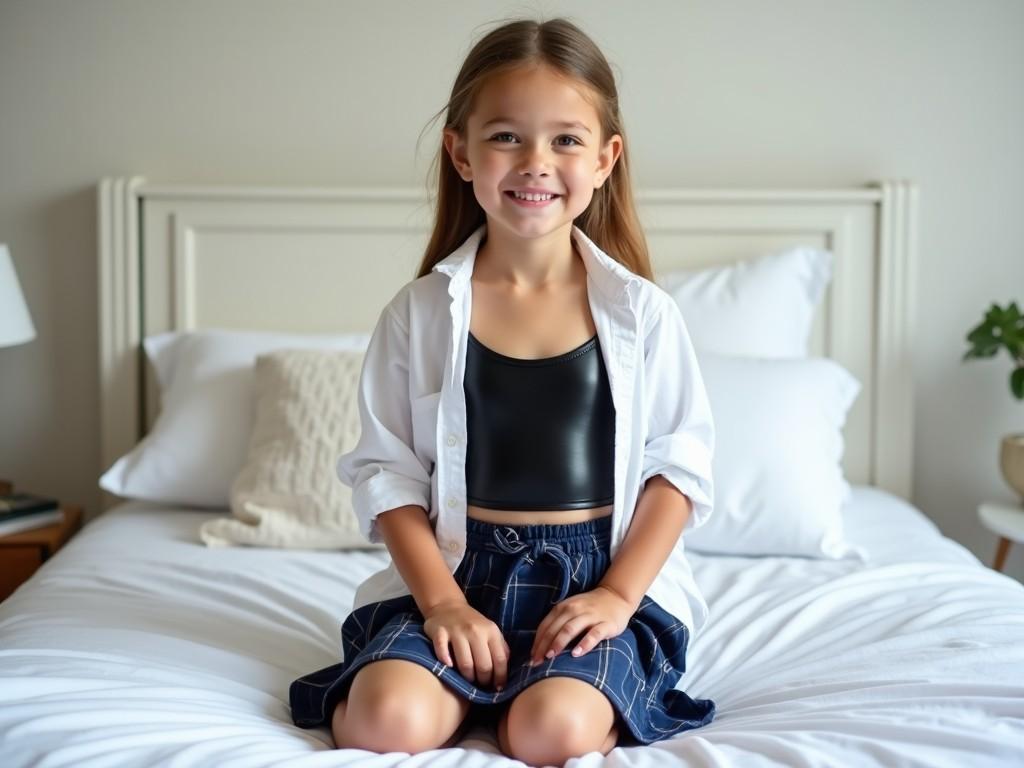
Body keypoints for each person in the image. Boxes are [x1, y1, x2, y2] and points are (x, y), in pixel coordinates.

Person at [289, 16, 716, 764]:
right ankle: (449, 689)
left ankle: (559, 690)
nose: (536, 163)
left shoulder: (642, 314)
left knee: (549, 732)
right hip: (454, 575)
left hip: (595, 580)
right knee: (381, 722)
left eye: (566, 139)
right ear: (461, 152)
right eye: (506, 136)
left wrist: (617, 598)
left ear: (607, 158)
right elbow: (386, 476)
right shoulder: (419, 313)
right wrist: (445, 604)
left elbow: (677, 471)